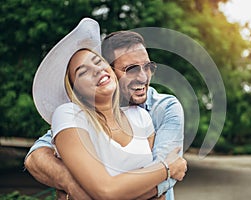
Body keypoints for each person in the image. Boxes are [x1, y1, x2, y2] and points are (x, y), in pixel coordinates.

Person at [25, 18, 185, 199]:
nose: (143, 77)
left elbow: (163, 178)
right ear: (111, 70)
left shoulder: (162, 108)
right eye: (131, 69)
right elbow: (36, 156)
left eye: (148, 67)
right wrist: (72, 184)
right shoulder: (77, 115)